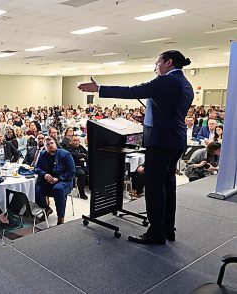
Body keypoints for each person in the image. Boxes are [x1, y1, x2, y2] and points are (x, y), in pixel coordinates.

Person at [78, 50, 193, 245]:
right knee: (167, 185)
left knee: (155, 187)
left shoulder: (168, 81)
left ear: (169, 62)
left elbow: (133, 91)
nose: (155, 68)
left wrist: (99, 89)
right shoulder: (184, 83)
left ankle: (156, 232)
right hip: (174, 140)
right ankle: (167, 228)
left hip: (161, 141)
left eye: (157, 63)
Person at [34, 137, 76, 225]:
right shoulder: (43, 154)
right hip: (48, 181)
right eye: (47, 145)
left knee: (58, 189)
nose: (50, 146)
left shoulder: (66, 154)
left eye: (52, 143)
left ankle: (60, 218)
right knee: (35, 190)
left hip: (64, 182)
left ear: (55, 144)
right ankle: (47, 208)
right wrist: (44, 174)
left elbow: (71, 172)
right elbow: (36, 167)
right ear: (45, 147)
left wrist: (58, 179)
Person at [68, 135, 89, 200]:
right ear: (70, 142)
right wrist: (82, 155)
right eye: (74, 140)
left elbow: (88, 155)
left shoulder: (81, 147)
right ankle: (82, 193)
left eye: (77, 140)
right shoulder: (68, 149)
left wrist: (84, 157)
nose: (77, 142)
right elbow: (73, 156)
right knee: (81, 173)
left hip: (83, 166)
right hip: (73, 167)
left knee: (94, 171)